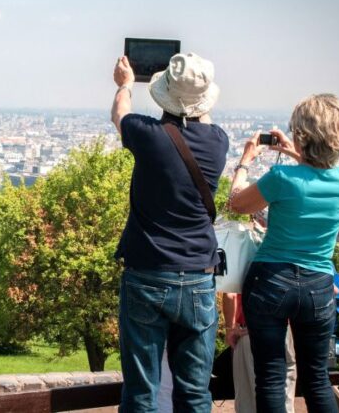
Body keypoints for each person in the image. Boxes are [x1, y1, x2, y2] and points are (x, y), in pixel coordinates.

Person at [111, 53, 229, 412]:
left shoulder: (149, 135)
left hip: (148, 272)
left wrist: (125, 84)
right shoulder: (218, 142)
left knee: (141, 393)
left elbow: (119, 114)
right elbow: (200, 121)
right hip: (198, 275)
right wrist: (192, 93)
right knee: (195, 392)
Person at [229, 94, 339, 412]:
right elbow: (316, 172)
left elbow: (237, 202)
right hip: (319, 286)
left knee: (270, 378)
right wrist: (292, 149)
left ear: (302, 135)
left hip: (271, 280)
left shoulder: (281, 179)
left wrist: (245, 161)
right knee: (317, 380)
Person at [222, 292, 297, 412]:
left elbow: (230, 294)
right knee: (285, 401)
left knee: (250, 404)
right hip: (284, 331)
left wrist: (230, 328)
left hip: (250, 330)